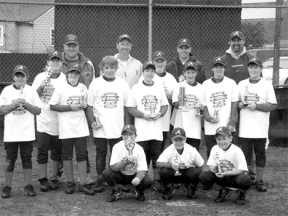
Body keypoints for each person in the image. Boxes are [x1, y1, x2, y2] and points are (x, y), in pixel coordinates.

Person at [87, 56, 130, 193]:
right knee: (100, 153)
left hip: (117, 127)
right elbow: (89, 106)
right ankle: (100, 178)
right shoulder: (95, 84)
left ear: (116, 68)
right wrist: (92, 121)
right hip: (101, 127)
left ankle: (111, 178)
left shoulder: (122, 83)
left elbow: (127, 107)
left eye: (112, 68)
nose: (110, 70)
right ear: (101, 69)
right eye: (106, 68)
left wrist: (127, 126)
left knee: (115, 154)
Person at [49, 64, 94, 195]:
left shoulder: (83, 87)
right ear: (67, 75)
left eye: (76, 74)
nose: (73, 76)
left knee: (81, 155)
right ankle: (70, 182)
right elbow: (52, 106)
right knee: (67, 155)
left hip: (80, 127)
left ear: (79, 75)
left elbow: (86, 105)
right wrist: (70, 108)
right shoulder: (61, 88)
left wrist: (84, 105)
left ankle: (83, 183)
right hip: (66, 128)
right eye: (71, 74)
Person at [126, 61, 168, 193]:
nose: (149, 73)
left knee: (156, 157)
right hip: (142, 131)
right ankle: (140, 181)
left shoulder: (159, 87)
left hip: (156, 130)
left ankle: (157, 181)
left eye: (152, 71)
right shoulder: (136, 88)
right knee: (141, 157)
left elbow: (165, 105)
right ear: (142, 72)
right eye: (147, 71)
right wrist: (143, 115)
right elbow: (130, 107)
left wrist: (160, 113)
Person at [0, 65, 42, 198]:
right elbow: (1, 111)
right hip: (11, 134)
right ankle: (7, 187)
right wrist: (13, 105)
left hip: (27, 133)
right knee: (10, 159)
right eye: (17, 75)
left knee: (27, 159)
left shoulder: (31, 91)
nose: (20, 78)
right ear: (13, 77)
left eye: (22, 75)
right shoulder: (6, 91)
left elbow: (38, 111)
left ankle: (28, 186)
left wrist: (26, 104)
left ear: (27, 77)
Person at [238, 58, 277, 192]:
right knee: (246, 154)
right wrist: (240, 105)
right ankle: (250, 178)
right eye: (251, 67)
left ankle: (260, 181)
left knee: (260, 153)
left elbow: (273, 105)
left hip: (260, 127)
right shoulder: (242, 84)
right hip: (245, 127)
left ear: (261, 69)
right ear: (248, 69)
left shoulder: (266, 84)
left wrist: (257, 106)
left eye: (256, 67)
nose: (253, 70)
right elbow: (236, 102)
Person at [61, 34, 95, 184]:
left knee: (83, 148)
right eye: (69, 45)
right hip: (64, 113)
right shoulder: (56, 62)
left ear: (78, 47)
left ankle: (85, 176)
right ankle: (62, 176)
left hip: (83, 112)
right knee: (63, 148)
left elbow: (92, 88)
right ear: (64, 47)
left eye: (74, 45)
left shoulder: (88, 64)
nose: (71, 48)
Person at [32, 51, 66, 192]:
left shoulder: (64, 78)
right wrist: (42, 86)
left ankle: (54, 177)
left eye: (58, 61)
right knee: (42, 150)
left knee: (56, 151)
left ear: (61, 63)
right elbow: (33, 97)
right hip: (43, 120)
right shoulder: (40, 77)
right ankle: (43, 178)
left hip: (58, 120)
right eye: (53, 60)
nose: (55, 63)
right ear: (48, 63)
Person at [199, 126, 252, 205]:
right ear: (216, 139)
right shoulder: (214, 148)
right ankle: (223, 190)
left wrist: (226, 173)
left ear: (230, 138)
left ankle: (241, 194)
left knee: (245, 179)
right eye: (219, 139)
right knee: (203, 176)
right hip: (221, 176)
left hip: (234, 176)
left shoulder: (236, 150)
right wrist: (215, 170)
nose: (222, 142)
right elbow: (210, 165)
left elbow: (242, 169)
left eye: (224, 139)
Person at [102, 124, 152, 202]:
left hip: (134, 175)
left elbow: (143, 169)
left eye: (131, 134)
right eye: (125, 134)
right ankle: (117, 190)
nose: (128, 137)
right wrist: (123, 163)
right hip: (121, 174)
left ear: (135, 135)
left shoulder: (139, 149)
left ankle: (139, 191)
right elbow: (113, 166)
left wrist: (138, 178)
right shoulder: (117, 147)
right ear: (122, 136)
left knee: (148, 180)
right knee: (106, 173)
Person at [202, 56, 238, 158]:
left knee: (229, 154)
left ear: (225, 68)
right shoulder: (205, 84)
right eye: (216, 67)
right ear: (212, 69)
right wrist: (208, 118)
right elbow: (204, 106)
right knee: (212, 152)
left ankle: (229, 174)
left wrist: (231, 123)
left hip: (226, 126)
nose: (218, 69)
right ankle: (213, 173)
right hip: (211, 127)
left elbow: (234, 106)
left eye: (221, 67)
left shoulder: (231, 83)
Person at [156, 127, 204, 200]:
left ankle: (190, 187)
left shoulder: (191, 149)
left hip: (187, 173)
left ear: (185, 139)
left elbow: (201, 164)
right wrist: (171, 165)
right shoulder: (169, 149)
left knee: (198, 172)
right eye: (176, 140)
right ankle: (169, 188)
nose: (178, 143)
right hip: (174, 173)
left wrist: (194, 173)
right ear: (172, 140)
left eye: (181, 140)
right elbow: (158, 163)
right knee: (163, 171)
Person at [172, 61, 205, 151]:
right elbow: (176, 105)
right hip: (180, 124)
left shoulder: (201, 88)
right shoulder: (179, 86)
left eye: (193, 73)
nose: (190, 75)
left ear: (196, 73)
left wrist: (201, 108)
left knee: (193, 152)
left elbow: (203, 107)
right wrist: (180, 100)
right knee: (179, 152)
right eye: (188, 72)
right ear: (184, 73)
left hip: (195, 126)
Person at [151, 51, 177, 152]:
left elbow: (176, 99)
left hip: (165, 118)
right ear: (153, 62)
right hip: (150, 117)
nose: (159, 63)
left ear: (165, 62)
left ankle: (158, 167)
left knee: (160, 146)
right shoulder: (148, 75)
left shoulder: (170, 78)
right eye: (157, 61)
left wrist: (168, 97)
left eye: (162, 61)